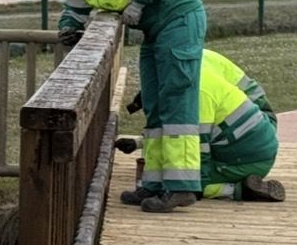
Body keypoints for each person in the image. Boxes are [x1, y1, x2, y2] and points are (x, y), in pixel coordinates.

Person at [36, 0, 205, 213]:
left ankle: (181, 186)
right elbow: (74, 12)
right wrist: (67, 28)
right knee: (154, 103)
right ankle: (153, 183)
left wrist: (138, 2)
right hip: (155, 30)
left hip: (179, 19)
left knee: (175, 99)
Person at [117, 53, 286, 203]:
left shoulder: (197, 96)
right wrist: (139, 142)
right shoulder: (189, 65)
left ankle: (239, 190)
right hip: (251, 130)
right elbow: (177, 132)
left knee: (178, 181)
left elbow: (197, 147)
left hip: (251, 153)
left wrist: (191, 185)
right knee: (175, 170)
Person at [127, 48, 276, 125]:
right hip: (255, 116)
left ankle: (234, 180)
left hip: (257, 121)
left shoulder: (193, 85)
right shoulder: (183, 64)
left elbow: (193, 133)